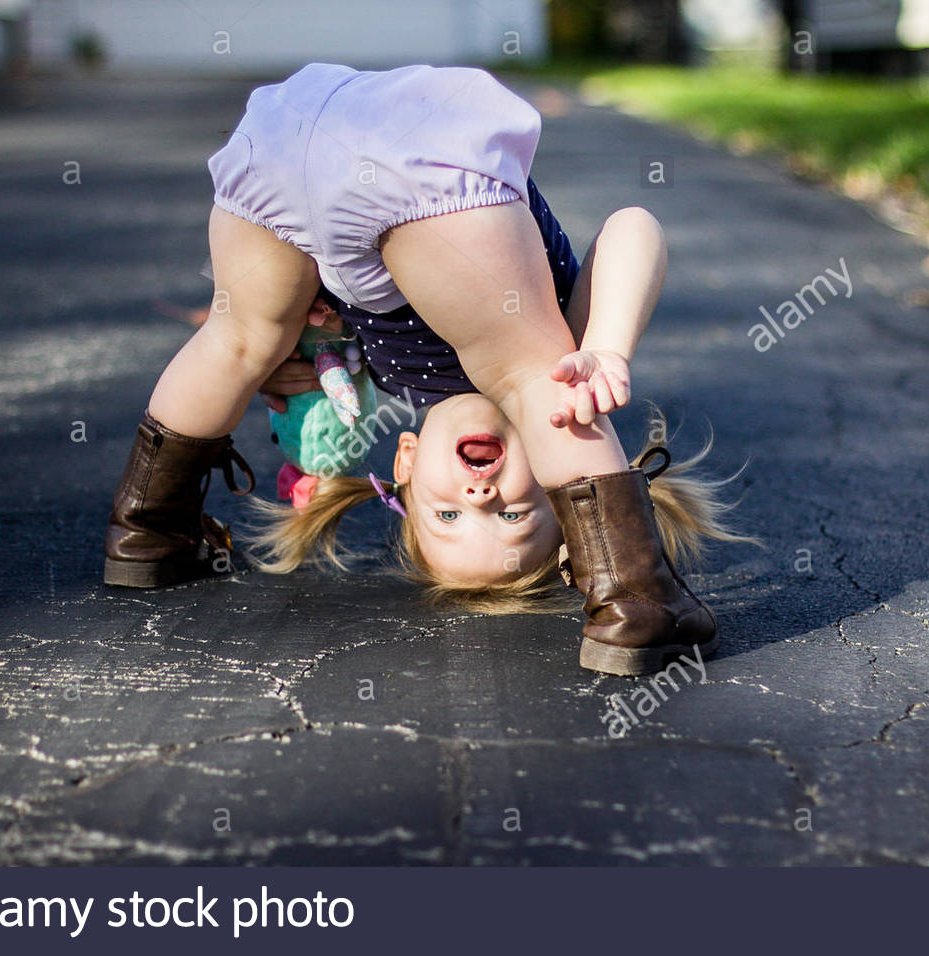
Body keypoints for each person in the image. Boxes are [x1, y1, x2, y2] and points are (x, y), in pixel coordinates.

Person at [103, 63, 751, 675]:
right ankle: (637, 602)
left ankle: (150, 531)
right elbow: (635, 228)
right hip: (417, 154)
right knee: (532, 376)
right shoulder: (564, 362)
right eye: (513, 517)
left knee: (238, 342)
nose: (479, 498)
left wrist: (277, 352)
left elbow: (279, 335)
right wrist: (609, 344)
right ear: (566, 501)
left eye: (445, 518)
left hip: (285, 143)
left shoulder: (388, 377)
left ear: (405, 465)